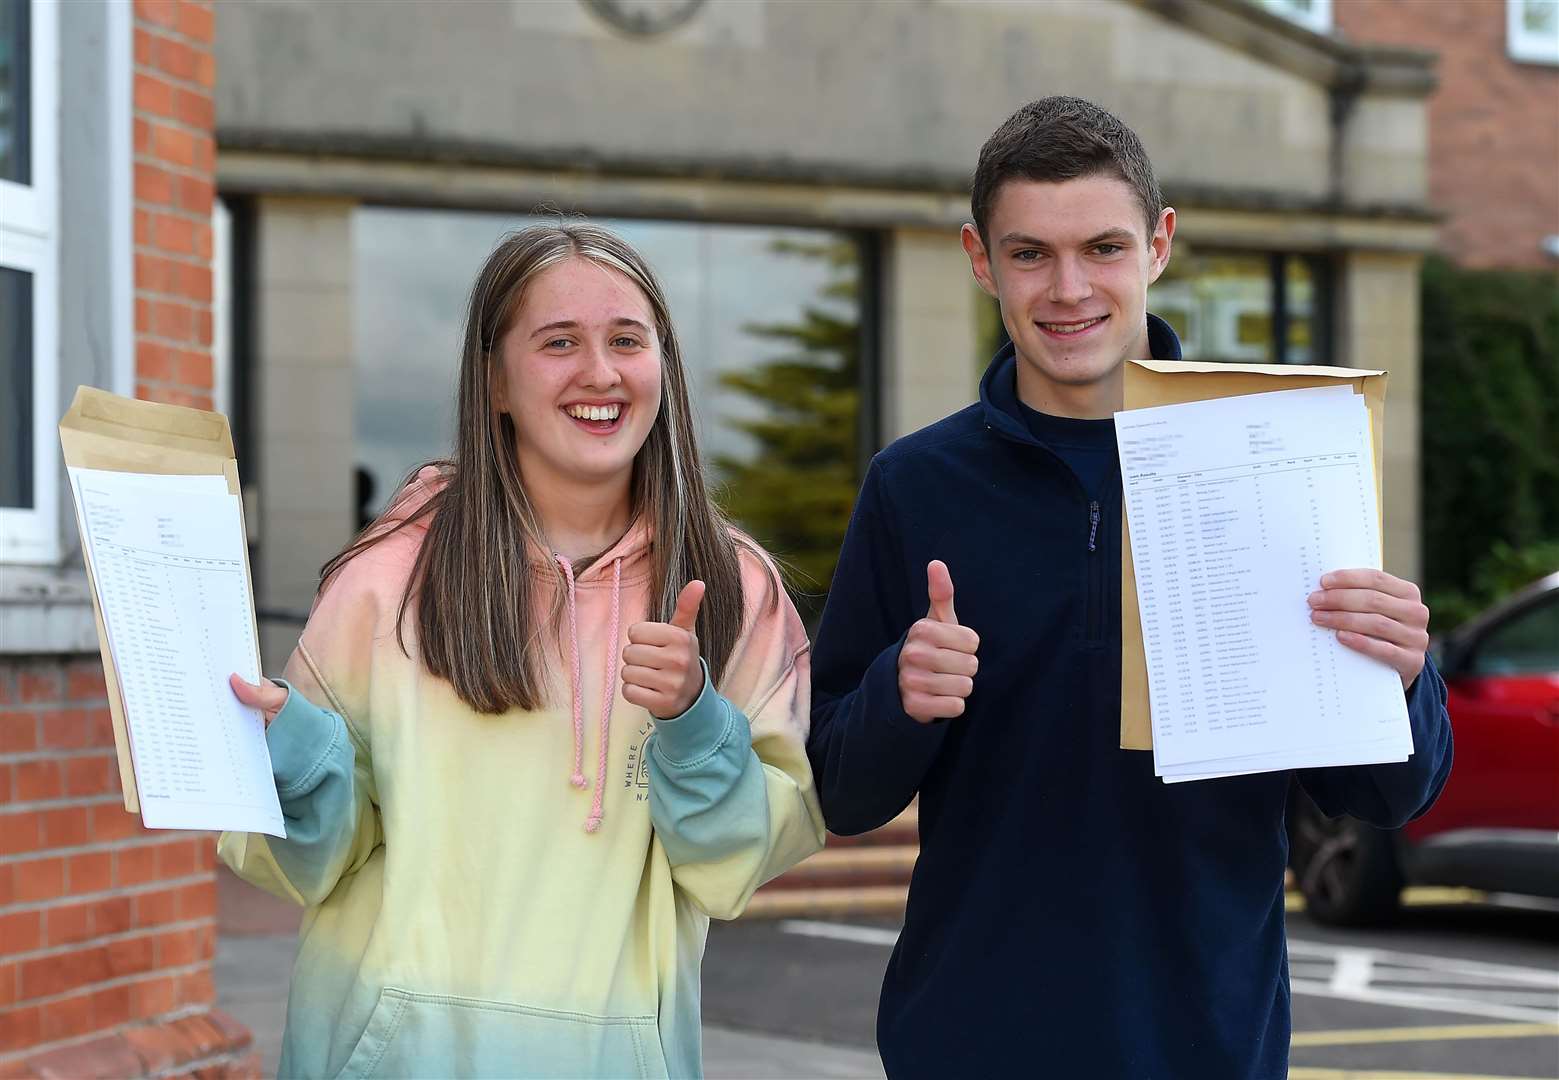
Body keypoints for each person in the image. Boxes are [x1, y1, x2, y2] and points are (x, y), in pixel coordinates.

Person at [805, 97, 1452, 1079]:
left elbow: (1383, 793)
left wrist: (1400, 676)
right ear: (979, 260)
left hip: (1203, 1045)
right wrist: (900, 697)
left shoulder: (1274, 459)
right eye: (1029, 254)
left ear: (1158, 244)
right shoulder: (913, 485)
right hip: (968, 1044)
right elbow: (836, 792)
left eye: (1101, 248)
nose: (1067, 289)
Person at [219, 223, 824, 1079]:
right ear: (495, 380)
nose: (601, 372)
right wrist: (289, 756)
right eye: (558, 343)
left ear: (664, 366)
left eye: (627, 340)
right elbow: (304, 864)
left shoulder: (732, 591)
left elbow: (740, 865)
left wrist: (694, 725)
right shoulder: (386, 580)